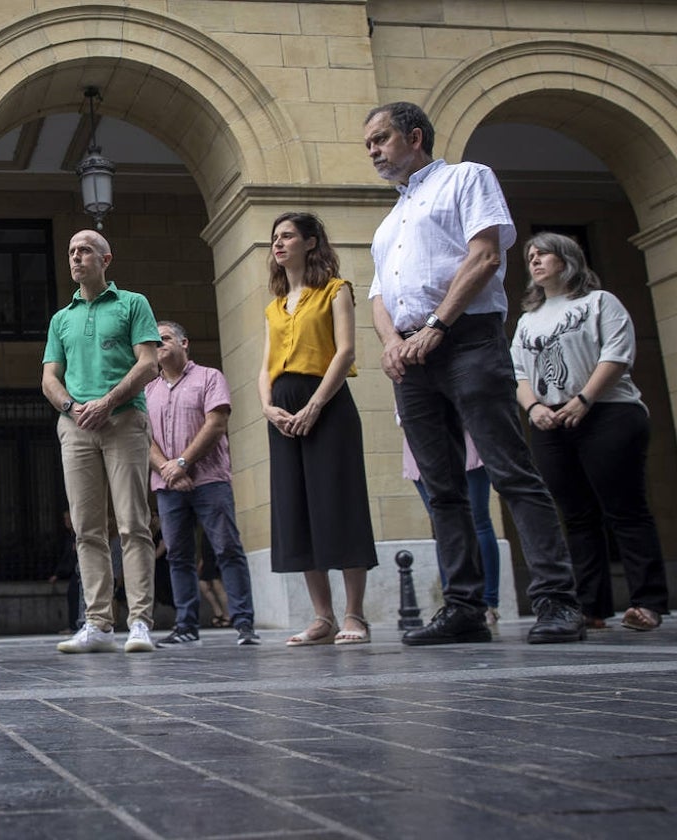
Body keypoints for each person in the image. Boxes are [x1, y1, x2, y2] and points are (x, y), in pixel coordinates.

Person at [364, 101, 584, 645]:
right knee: (441, 489)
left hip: (467, 340)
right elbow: (377, 294)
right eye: (368, 144)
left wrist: (439, 323)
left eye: (381, 138)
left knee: (511, 472)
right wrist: (392, 342)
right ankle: (463, 607)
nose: (373, 150)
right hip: (412, 358)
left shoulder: (467, 178)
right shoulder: (388, 222)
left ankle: (556, 601)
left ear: (415, 136)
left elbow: (484, 255)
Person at [512, 231, 669, 632]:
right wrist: (533, 409)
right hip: (551, 423)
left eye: (543, 253)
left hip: (609, 413)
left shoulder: (600, 302)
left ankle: (647, 603)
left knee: (625, 510)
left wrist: (584, 399)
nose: (534, 259)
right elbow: (518, 374)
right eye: (530, 255)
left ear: (567, 260)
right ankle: (591, 607)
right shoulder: (528, 320)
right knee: (577, 517)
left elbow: (616, 355)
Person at [257, 212, 377, 647]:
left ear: (311, 243)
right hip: (283, 410)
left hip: (326, 404)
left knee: (338, 505)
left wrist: (315, 405)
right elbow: (265, 366)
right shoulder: (273, 305)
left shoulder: (336, 290)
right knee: (298, 509)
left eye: (287, 235)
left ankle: (355, 615)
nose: (278, 243)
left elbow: (344, 353)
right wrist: (267, 407)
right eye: (275, 237)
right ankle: (322, 617)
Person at [42, 229, 161, 654]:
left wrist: (107, 402)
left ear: (106, 259)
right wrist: (74, 408)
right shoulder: (61, 319)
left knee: (133, 524)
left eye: (85, 250)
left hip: (124, 421)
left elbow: (149, 363)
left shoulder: (133, 303)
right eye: (71, 251)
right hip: (75, 427)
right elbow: (49, 378)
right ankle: (97, 624)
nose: (76, 257)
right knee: (87, 529)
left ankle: (141, 622)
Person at [145, 320, 259, 646]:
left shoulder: (210, 377)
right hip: (167, 486)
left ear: (184, 343)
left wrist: (182, 463)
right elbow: (143, 436)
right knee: (177, 556)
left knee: (227, 550)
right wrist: (167, 469)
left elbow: (217, 423)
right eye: (154, 341)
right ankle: (186, 626)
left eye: (164, 338)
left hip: (210, 481)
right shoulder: (147, 390)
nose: (158, 345)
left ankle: (244, 624)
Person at [401, 427, 502, 625]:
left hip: (465, 442)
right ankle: (454, 602)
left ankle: (488, 603)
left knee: (477, 520)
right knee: (442, 527)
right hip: (422, 447)